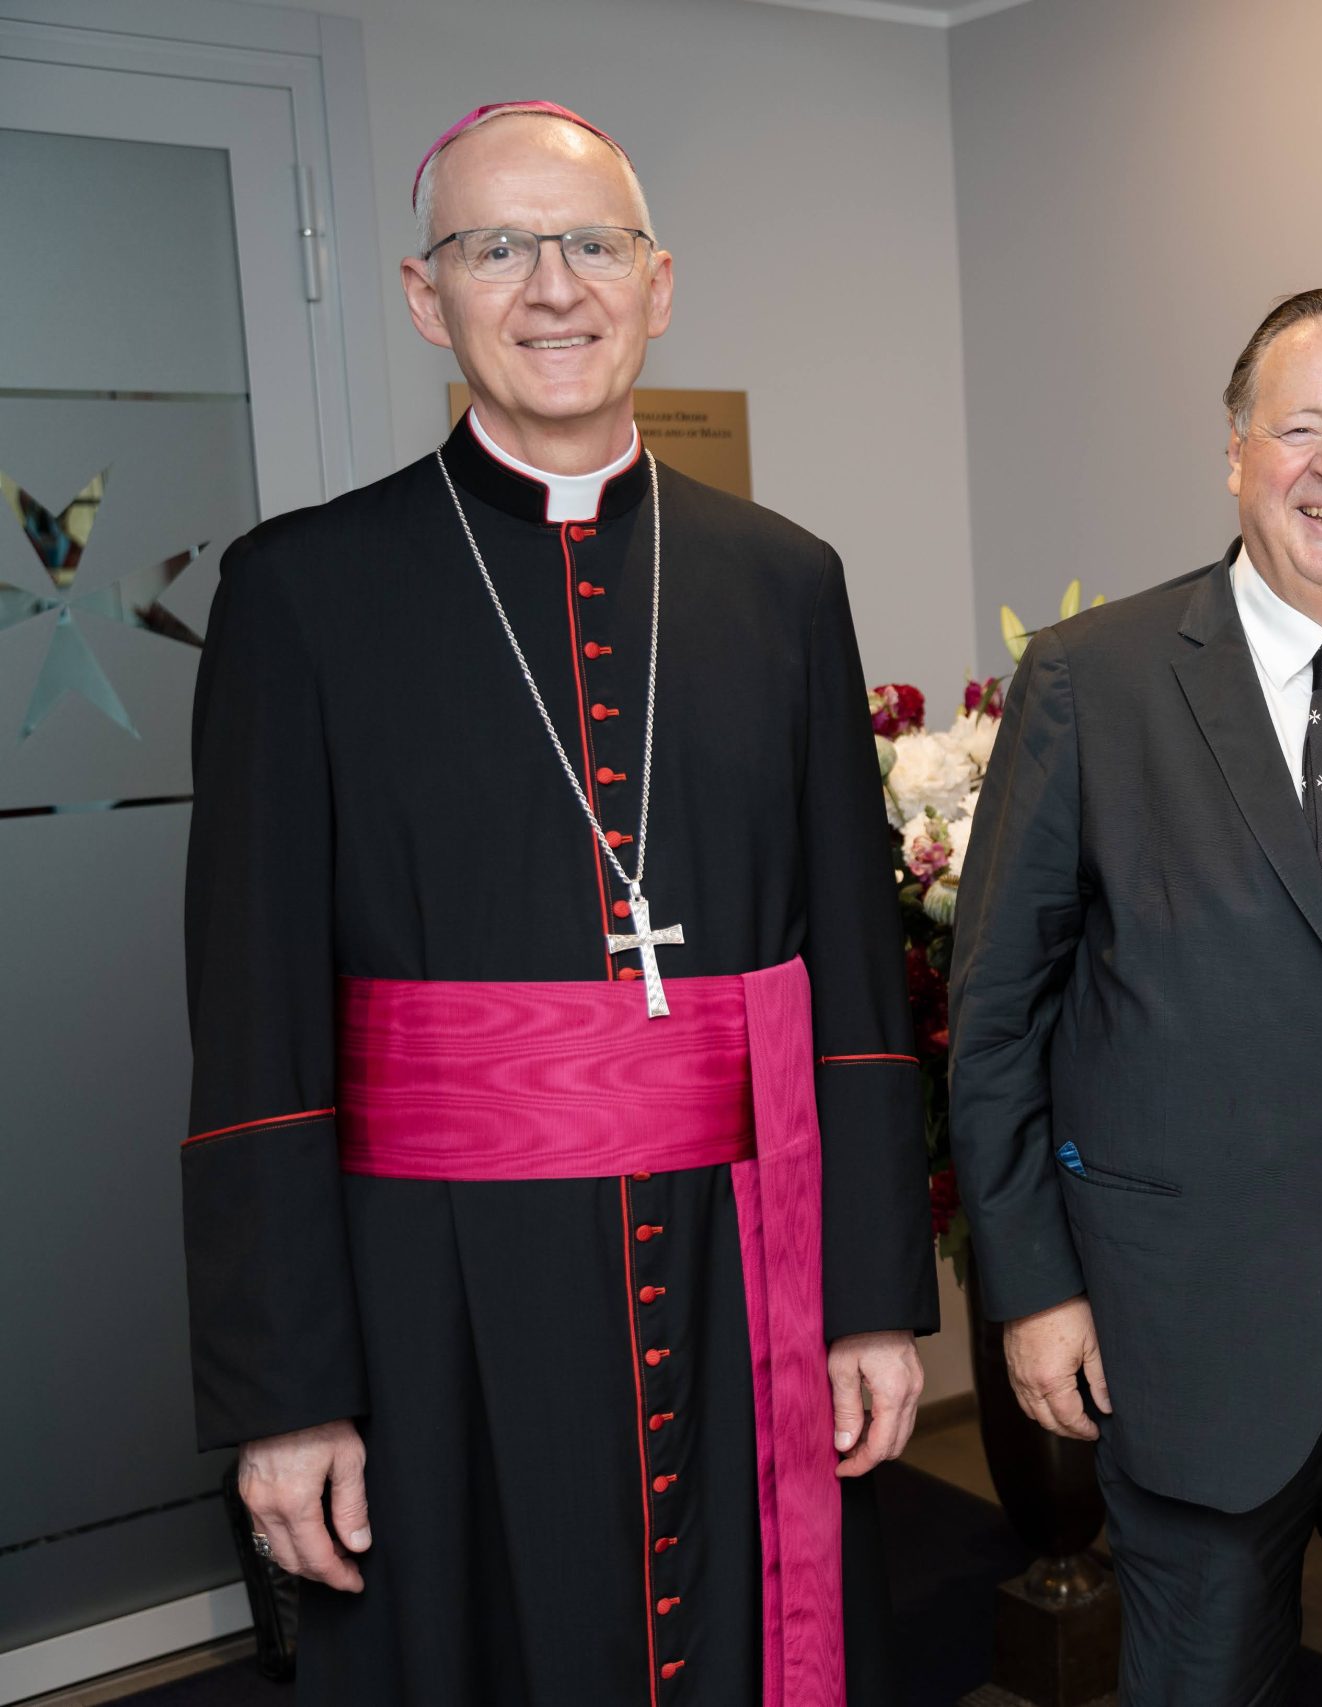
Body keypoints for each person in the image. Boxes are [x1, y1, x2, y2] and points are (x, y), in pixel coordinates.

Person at [181, 101, 934, 1705]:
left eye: (591, 244)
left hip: (740, 1267)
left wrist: (873, 1299)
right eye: (495, 247)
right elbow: (249, 1019)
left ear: (657, 285)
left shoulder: (784, 581)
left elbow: (856, 971)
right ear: (420, 293)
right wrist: (287, 1391)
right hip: (428, 1284)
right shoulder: (299, 592)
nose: (551, 288)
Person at [949, 287, 1322, 1706]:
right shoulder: (1097, 681)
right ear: (1234, 452)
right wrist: (1033, 1289)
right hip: (1185, 1327)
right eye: (1302, 428)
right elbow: (999, 1013)